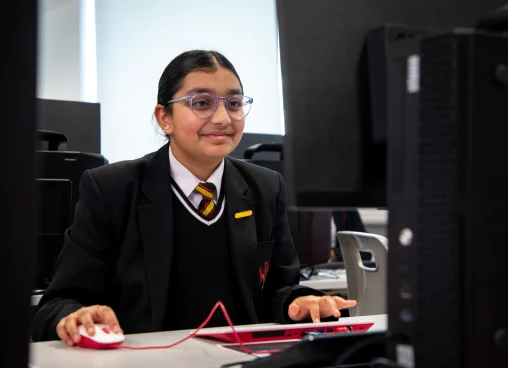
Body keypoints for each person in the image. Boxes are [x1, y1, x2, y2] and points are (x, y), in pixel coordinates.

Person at [32, 50, 357, 346]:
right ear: (165, 118)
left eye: (233, 103)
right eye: (201, 103)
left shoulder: (265, 186)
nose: (222, 119)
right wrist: (76, 317)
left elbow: (279, 291)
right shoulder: (113, 188)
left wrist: (299, 302)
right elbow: (58, 304)